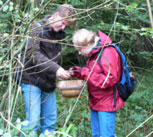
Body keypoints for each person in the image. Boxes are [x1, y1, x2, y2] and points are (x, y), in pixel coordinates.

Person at [20, 4, 76, 135]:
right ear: (56, 15)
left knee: (50, 123)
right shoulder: (36, 28)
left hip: (48, 83)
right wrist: (56, 69)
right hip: (31, 80)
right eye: (62, 23)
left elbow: (54, 59)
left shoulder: (60, 35)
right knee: (32, 123)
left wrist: (63, 72)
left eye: (66, 26)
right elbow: (32, 54)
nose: (63, 28)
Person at [69, 29, 124, 137]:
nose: (79, 53)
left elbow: (109, 79)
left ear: (88, 44)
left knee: (106, 135)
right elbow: (94, 74)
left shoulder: (107, 51)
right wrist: (78, 72)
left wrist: (84, 72)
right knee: (96, 134)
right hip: (95, 101)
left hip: (106, 102)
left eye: (80, 49)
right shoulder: (94, 52)